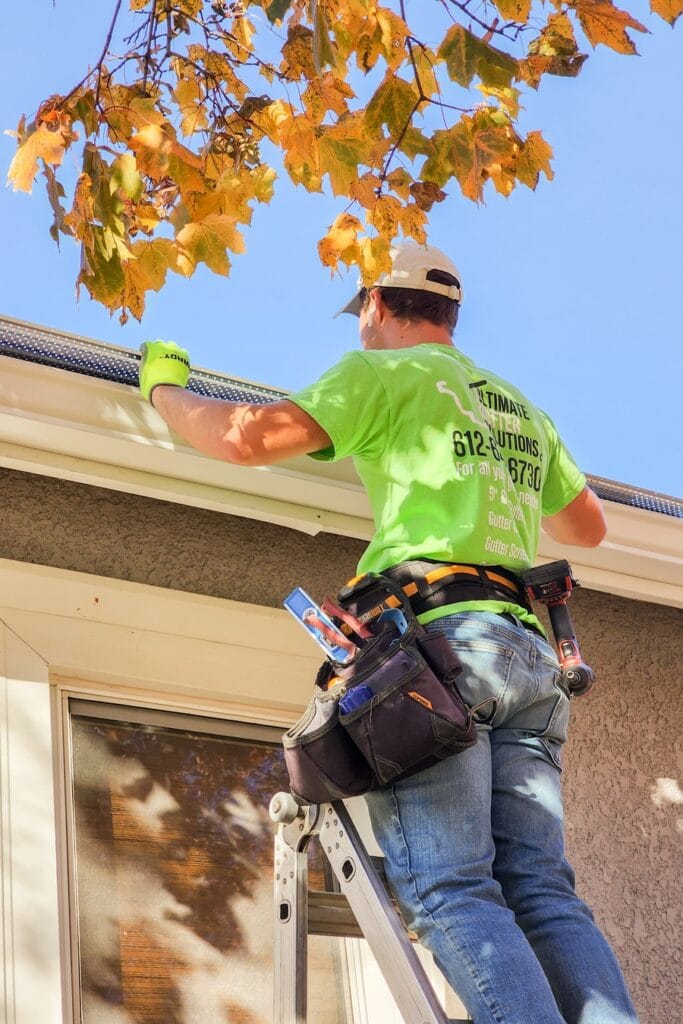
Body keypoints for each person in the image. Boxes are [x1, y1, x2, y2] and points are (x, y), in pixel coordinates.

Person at [138, 242, 640, 1024]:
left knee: (448, 888)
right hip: (528, 656)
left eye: (360, 314)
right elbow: (587, 528)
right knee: (541, 892)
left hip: (443, 650)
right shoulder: (519, 408)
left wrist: (164, 388)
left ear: (374, 303)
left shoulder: (381, 373)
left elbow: (241, 438)